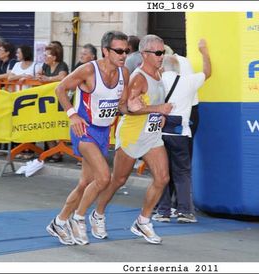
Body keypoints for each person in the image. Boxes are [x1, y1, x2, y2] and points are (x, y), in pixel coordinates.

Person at [46, 31, 136, 245]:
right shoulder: (88, 70)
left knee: (85, 182)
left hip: (103, 132)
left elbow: (122, 105)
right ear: (105, 51)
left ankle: (59, 221)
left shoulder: (124, 72)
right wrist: (73, 114)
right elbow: (60, 89)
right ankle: (79, 217)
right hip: (84, 130)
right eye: (119, 50)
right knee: (104, 178)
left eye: (126, 51)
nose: (124, 55)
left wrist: (134, 107)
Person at [91, 34, 173, 245]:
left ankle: (143, 220)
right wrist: (158, 109)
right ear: (145, 54)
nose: (161, 56)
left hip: (152, 136)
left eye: (163, 52)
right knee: (118, 180)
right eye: (157, 53)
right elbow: (128, 109)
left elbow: (152, 104)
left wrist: (160, 116)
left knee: (163, 178)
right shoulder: (138, 78)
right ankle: (98, 214)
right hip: (132, 135)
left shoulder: (158, 74)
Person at [153, 39, 211, 224]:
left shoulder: (157, 82)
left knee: (162, 172)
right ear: (178, 68)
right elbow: (208, 73)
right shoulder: (188, 82)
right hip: (181, 134)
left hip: (159, 134)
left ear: (163, 67)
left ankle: (163, 211)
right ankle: (184, 211)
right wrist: (204, 52)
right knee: (182, 172)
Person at [36, 43, 69, 162]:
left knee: (55, 125)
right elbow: (38, 73)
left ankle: (57, 152)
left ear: (54, 57)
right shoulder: (45, 65)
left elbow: (62, 77)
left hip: (59, 101)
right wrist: (39, 77)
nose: (44, 57)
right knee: (46, 125)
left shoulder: (62, 65)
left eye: (47, 55)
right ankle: (53, 151)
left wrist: (48, 79)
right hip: (47, 101)